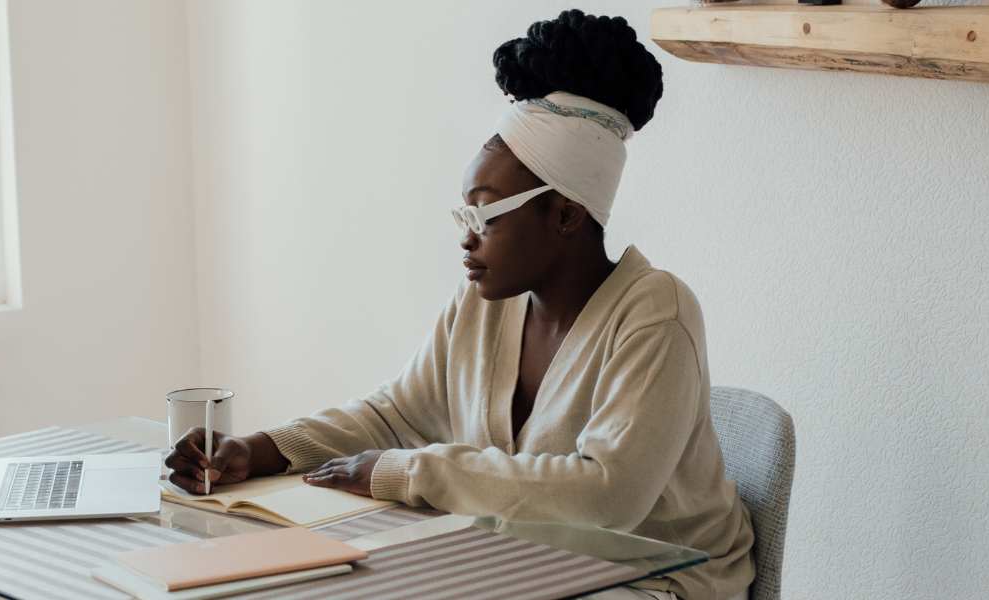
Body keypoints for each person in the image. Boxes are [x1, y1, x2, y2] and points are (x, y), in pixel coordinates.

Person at [167, 10, 754, 600]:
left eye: (485, 214)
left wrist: (405, 471)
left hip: (664, 579)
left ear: (566, 214)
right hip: (534, 562)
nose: (466, 238)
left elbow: (607, 496)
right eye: (463, 214)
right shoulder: (485, 305)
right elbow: (392, 416)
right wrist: (259, 450)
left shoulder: (656, 313)